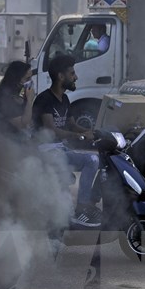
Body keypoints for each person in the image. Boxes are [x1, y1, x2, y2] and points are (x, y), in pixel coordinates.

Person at [32, 55, 102, 228]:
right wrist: (77, 136)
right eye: (72, 73)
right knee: (87, 161)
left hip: (60, 149)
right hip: (45, 150)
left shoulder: (65, 99)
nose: (75, 77)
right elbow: (51, 130)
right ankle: (79, 210)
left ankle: (83, 205)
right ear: (60, 76)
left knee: (94, 161)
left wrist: (89, 132)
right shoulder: (45, 99)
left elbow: (72, 124)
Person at [0, 60, 34, 169]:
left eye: (31, 79)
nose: (30, 82)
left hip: (18, 143)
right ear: (17, 78)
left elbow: (29, 122)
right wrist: (30, 101)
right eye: (27, 79)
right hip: (5, 147)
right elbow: (23, 123)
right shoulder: (4, 96)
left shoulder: (20, 94)